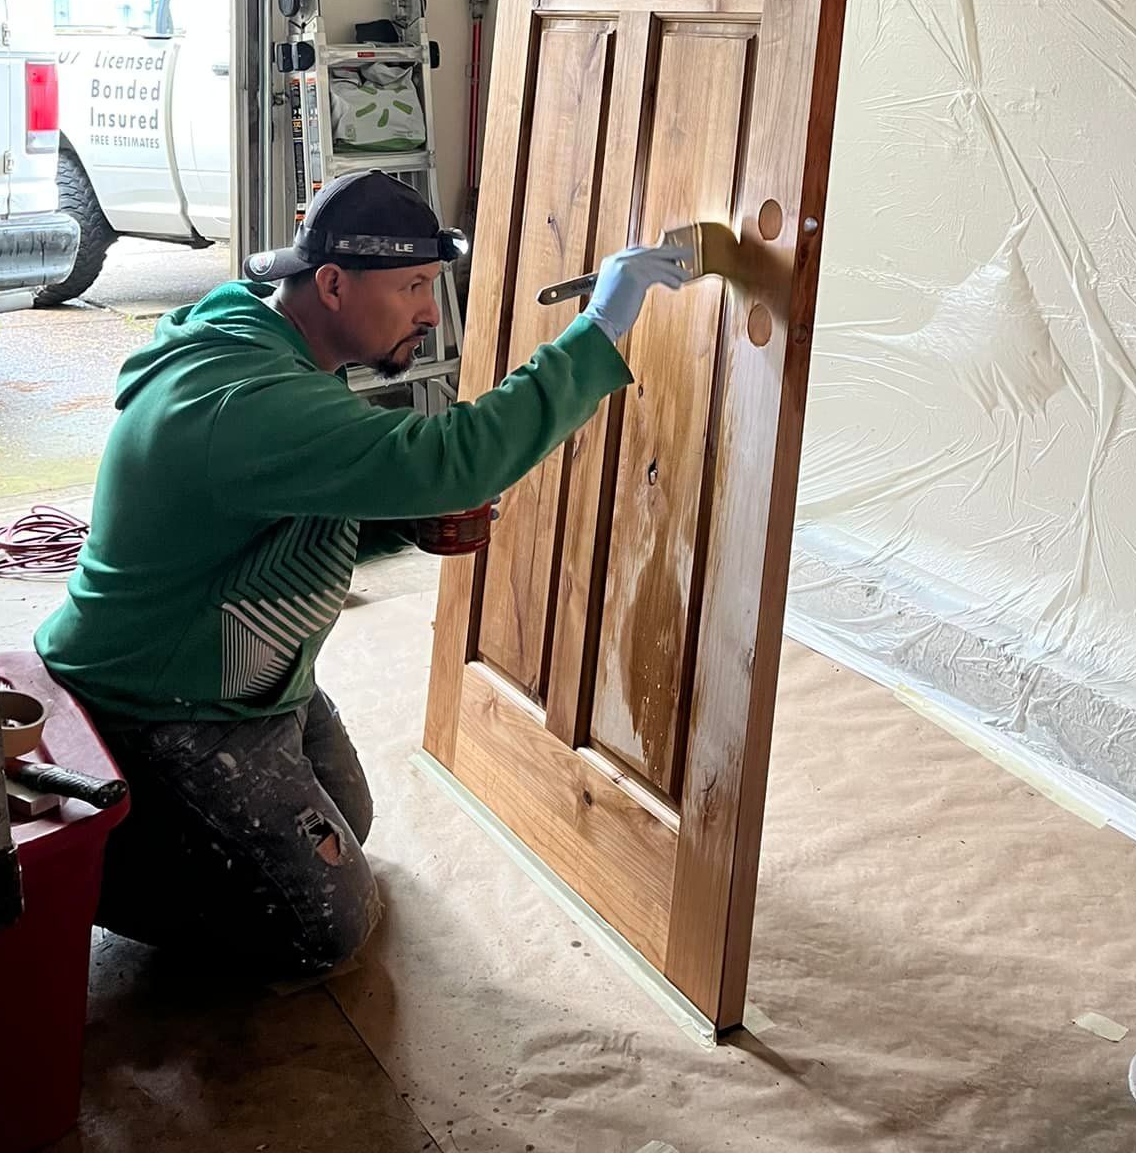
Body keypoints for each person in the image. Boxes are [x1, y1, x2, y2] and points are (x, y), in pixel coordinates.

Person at [35, 169, 686, 983]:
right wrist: (600, 328)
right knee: (321, 928)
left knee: (355, 818)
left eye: (433, 283)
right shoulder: (245, 398)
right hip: (160, 704)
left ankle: (169, 837)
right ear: (333, 285)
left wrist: (391, 518)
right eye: (412, 285)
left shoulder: (279, 352)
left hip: (248, 686)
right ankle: (70, 873)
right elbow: (453, 460)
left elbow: (278, 516)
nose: (428, 310)